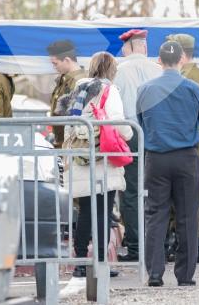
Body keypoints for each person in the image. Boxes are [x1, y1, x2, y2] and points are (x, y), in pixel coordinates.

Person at [58, 51, 133, 278]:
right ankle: (100, 264)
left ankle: (81, 262)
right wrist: (130, 134)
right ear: (111, 69)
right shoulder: (110, 90)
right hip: (102, 159)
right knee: (103, 211)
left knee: (85, 212)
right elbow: (119, 124)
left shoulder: (78, 89)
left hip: (81, 158)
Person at [137, 41, 199, 286]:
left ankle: (154, 274)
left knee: (156, 215)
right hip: (186, 156)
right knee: (187, 216)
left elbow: (140, 123)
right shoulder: (194, 88)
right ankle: (185, 276)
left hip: (155, 158)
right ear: (182, 59)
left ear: (159, 60)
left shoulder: (145, 89)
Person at [166, 33, 199, 263]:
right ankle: (186, 244)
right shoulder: (197, 74)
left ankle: (198, 246)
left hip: (183, 142)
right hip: (185, 142)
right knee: (180, 199)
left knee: (185, 199)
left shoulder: (192, 77)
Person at [113, 29, 162, 262]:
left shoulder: (119, 70)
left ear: (128, 47)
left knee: (131, 191)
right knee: (157, 190)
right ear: (143, 46)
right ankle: (157, 245)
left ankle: (135, 247)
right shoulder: (158, 69)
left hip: (130, 132)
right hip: (157, 133)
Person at [48, 40, 87, 148]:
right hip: (63, 141)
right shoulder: (64, 79)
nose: (54, 67)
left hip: (72, 143)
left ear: (66, 60)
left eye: (55, 63)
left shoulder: (79, 81)